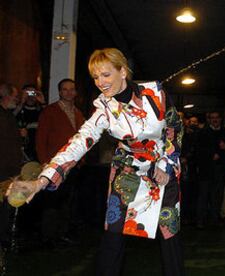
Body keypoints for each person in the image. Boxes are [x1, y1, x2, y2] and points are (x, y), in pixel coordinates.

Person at [7, 48, 184, 275]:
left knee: (169, 232)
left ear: (123, 71)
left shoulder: (155, 93)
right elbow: (77, 144)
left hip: (163, 167)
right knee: (113, 234)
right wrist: (40, 181)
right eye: (96, 77)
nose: (100, 82)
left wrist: (165, 164)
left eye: (106, 74)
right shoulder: (103, 110)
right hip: (127, 170)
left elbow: (174, 128)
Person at [35, 78, 85, 246]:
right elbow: (40, 138)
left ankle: (62, 233)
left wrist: (81, 161)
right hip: (55, 165)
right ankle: (48, 236)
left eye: (72, 89)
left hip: (73, 166)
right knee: (52, 201)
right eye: (65, 89)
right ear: (60, 92)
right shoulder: (50, 112)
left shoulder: (78, 113)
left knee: (67, 201)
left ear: (75, 92)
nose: (69, 92)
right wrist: (44, 162)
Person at [0, 83, 22, 252]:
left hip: (8, 172)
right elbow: (6, 148)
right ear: (6, 95)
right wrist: (13, 172)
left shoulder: (7, 116)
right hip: (5, 173)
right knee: (5, 210)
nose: (17, 99)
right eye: (15, 96)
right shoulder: (3, 118)